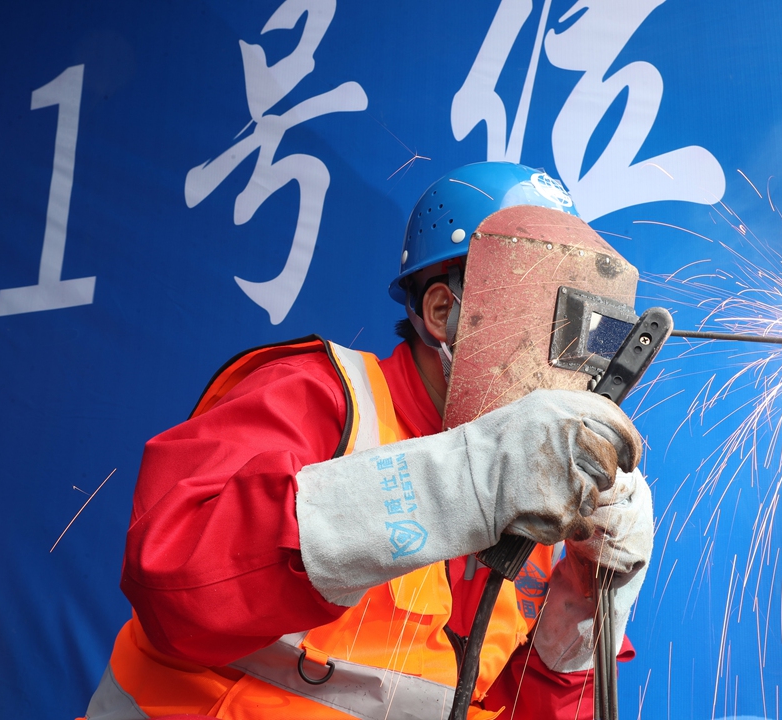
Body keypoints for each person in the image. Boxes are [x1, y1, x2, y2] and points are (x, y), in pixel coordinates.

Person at [84, 162, 654, 720]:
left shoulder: (541, 491)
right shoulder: (317, 398)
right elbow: (175, 588)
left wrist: (585, 602)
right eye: (545, 316)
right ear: (441, 311)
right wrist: (460, 482)